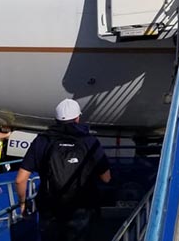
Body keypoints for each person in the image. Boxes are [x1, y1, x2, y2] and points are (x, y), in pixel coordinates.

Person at [16, 99, 111, 241]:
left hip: (50, 207)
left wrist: (23, 204)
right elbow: (106, 177)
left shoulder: (42, 140)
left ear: (56, 119)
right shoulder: (89, 141)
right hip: (81, 206)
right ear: (78, 118)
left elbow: (20, 180)